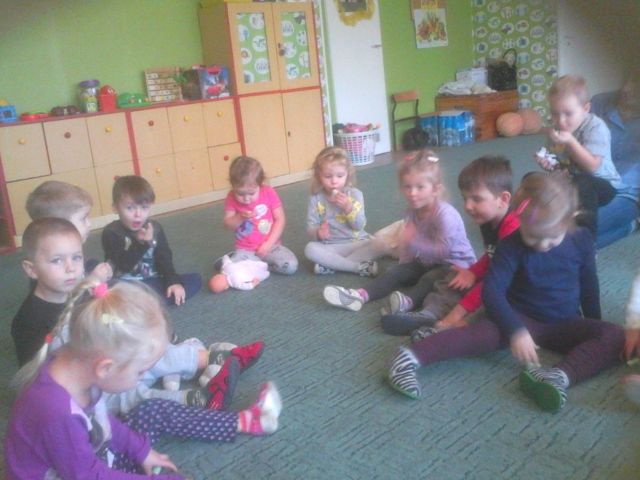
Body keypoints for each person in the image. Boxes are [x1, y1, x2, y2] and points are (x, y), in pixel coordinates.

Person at [385, 172, 625, 413]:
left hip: (563, 322)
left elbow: (589, 284)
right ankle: (408, 358)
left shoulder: (582, 239)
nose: (541, 246)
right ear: (519, 220)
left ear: (570, 220)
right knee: (475, 336)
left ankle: (557, 376)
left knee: (614, 334)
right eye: (532, 237)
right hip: (519, 318)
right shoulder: (511, 244)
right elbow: (492, 291)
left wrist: (594, 324)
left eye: (551, 238)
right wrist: (516, 331)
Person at [5, 280, 282, 479]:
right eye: (140, 372)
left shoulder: (77, 366)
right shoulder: (57, 413)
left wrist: (141, 451)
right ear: (105, 368)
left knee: (151, 410)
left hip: (88, 459)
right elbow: (88, 475)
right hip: (81, 473)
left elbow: (101, 420)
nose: (143, 378)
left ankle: (246, 421)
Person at [380, 155, 520, 341]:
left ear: (503, 199)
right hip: (500, 279)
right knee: (454, 279)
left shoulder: (512, 232)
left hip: (517, 290)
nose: (467, 206)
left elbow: (495, 283)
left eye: (476, 199)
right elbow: (492, 255)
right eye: (465, 198)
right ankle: (429, 315)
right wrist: (472, 272)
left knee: (487, 308)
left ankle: (448, 328)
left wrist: (455, 314)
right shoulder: (489, 220)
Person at [323, 150, 475, 313]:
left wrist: (415, 241)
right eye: (407, 186)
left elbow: (442, 251)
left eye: (420, 187)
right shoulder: (413, 212)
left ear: (435, 189)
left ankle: (408, 302)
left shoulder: (445, 215)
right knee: (396, 272)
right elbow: (409, 248)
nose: (412, 193)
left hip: (455, 265)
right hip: (428, 261)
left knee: (429, 278)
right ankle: (359, 296)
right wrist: (404, 268)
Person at [534, 75, 622, 238]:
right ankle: (532, 226)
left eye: (568, 114)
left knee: (582, 183)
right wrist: (548, 165)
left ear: (585, 109)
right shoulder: (557, 131)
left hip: (602, 184)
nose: (561, 121)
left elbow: (592, 167)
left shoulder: (596, 127)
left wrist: (570, 142)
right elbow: (561, 167)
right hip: (572, 181)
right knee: (533, 179)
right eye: (555, 114)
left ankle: (585, 239)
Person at [102, 175, 202, 306]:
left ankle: (144, 304)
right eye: (130, 208)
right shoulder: (111, 232)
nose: (138, 214)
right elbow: (123, 266)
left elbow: (164, 257)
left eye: (144, 207)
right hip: (125, 283)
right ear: (115, 208)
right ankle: (146, 303)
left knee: (194, 280)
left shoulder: (155, 228)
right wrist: (141, 243)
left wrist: (173, 282)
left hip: (152, 280)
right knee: (108, 291)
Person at [304, 146, 387, 276]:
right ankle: (355, 267)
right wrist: (318, 233)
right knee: (310, 249)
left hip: (356, 242)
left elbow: (359, 225)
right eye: (328, 176)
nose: (334, 181)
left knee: (381, 244)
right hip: (331, 246)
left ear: (347, 174)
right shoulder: (315, 198)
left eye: (340, 176)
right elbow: (311, 225)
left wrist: (348, 207)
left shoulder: (355, 195)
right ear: (319, 176)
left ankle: (332, 265)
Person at [221, 156, 298, 275]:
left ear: (260, 184)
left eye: (251, 193)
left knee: (291, 266)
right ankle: (242, 262)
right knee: (231, 273)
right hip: (246, 249)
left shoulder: (268, 192)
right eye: (240, 194)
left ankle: (256, 267)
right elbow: (228, 225)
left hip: (271, 246)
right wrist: (240, 217)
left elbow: (280, 219)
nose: (246, 199)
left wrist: (269, 244)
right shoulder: (231, 197)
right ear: (233, 186)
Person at [25, 180, 112, 283]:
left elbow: (85, 262)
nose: (89, 224)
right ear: (62, 225)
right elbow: (70, 292)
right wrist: (93, 280)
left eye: (76, 258)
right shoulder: (49, 272)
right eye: (83, 218)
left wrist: (95, 266)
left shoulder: (61, 252)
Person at [591, 67, 640, 248]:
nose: (626, 88)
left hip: (628, 194)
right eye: (626, 80)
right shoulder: (599, 102)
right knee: (553, 221)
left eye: (636, 84)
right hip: (594, 185)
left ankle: (630, 224)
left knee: (583, 229)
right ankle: (629, 226)